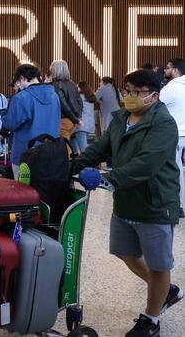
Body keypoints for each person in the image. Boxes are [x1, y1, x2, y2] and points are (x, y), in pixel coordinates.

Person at [73, 69, 183, 337]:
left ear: (154, 96)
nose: (130, 96)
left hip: (155, 203)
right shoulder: (121, 118)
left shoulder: (164, 124)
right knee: (125, 252)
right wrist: (72, 165)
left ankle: (151, 319)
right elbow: (100, 148)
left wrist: (111, 179)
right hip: (126, 201)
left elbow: (147, 163)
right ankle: (164, 289)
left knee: (159, 265)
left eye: (137, 92)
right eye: (128, 90)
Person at [1, 64, 61, 180]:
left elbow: (10, 124)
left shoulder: (21, 97)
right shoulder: (54, 96)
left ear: (22, 78)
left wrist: (3, 114)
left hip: (25, 155)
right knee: (44, 191)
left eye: (18, 81)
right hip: (50, 153)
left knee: (23, 193)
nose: (18, 85)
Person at [161, 58, 185, 218]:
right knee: (177, 169)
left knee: (172, 171)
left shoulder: (171, 88)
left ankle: (177, 206)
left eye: (168, 68)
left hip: (172, 134)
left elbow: (153, 106)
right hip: (182, 133)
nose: (165, 70)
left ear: (176, 71)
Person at [47, 60, 82, 141]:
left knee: (63, 149)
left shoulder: (55, 85)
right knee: (66, 146)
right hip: (72, 122)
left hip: (62, 121)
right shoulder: (72, 84)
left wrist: (76, 119)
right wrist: (77, 118)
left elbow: (64, 105)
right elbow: (80, 102)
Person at [71, 81, 97, 154]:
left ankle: (86, 163)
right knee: (78, 144)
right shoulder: (90, 98)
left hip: (81, 125)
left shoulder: (79, 97)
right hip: (90, 125)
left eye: (77, 87)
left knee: (84, 150)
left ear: (80, 88)